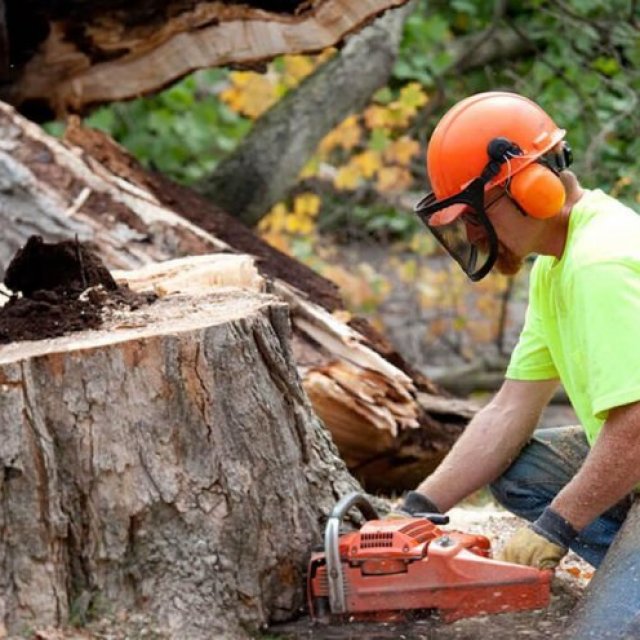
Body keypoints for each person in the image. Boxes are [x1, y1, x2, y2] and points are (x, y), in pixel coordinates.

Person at [400, 91, 640, 571]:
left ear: (530, 188)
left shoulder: (600, 263)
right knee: (524, 471)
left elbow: (635, 427)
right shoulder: (555, 266)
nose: (471, 234)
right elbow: (509, 410)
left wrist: (558, 525)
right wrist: (414, 511)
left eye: (473, 214)